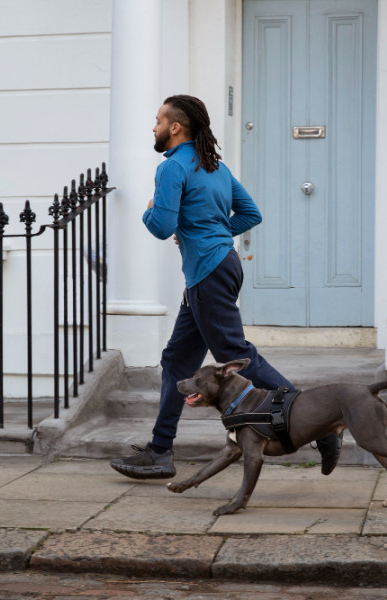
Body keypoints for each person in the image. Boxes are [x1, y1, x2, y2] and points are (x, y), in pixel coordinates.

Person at [109, 94, 340, 479]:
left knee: (237, 353)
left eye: (158, 120)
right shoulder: (215, 167)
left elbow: (161, 226)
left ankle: (318, 426)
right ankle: (160, 451)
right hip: (220, 266)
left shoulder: (171, 169)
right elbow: (251, 214)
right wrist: (216, 232)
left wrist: (150, 209)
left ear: (175, 127)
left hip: (208, 272)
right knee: (176, 363)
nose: (154, 127)